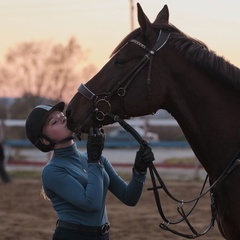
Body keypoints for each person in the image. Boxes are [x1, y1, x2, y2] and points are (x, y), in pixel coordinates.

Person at [25, 102, 154, 240]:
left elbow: (129, 197)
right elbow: (91, 204)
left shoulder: (97, 159)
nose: (63, 119)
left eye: (62, 115)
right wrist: (94, 160)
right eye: (54, 121)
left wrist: (139, 170)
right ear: (45, 141)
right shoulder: (52, 171)